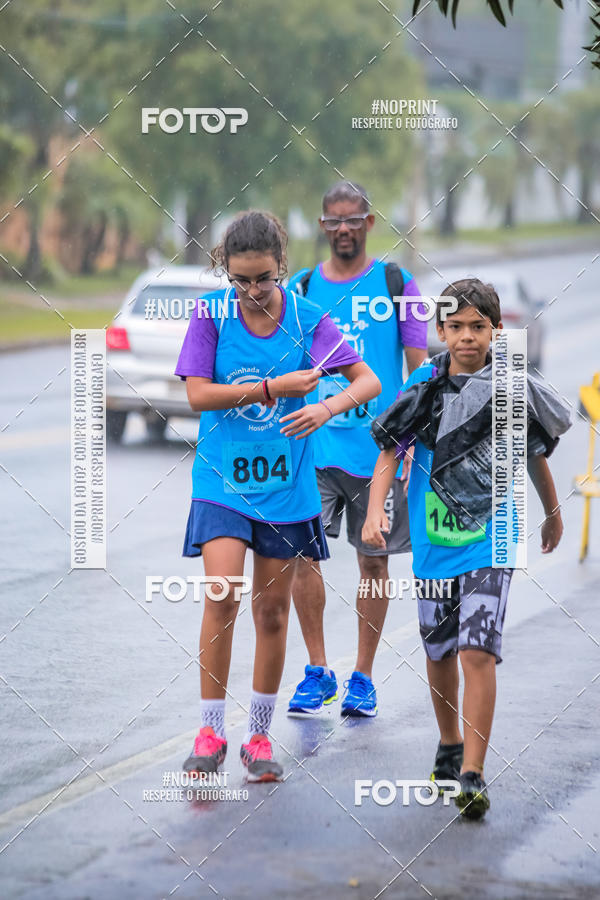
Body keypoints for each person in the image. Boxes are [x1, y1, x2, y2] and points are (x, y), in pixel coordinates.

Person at [174, 210, 380, 783]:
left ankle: (258, 738)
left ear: (281, 267)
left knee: (271, 610)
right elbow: (197, 397)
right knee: (221, 595)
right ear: (225, 273)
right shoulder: (211, 317)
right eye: (239, 280)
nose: (251, 291)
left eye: (262, 278)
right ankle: (210, 731)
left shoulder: (309, 320)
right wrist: (274, 388)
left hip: (286, 489)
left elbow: (368, 382)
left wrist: (325, 407)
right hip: (222, 481)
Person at [362, 278, 570, 819]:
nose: (467, 337)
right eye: (456, 327)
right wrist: (373, 511)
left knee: (477, 648)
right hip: (434, 543)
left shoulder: (507, 388)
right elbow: (390, 448)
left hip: (492, 537)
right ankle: (450, 743)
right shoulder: (424, 386)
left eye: (479, 327)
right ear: (441, 332)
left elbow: (532, 453)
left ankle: (473, 772)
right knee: (439, 652)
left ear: (497, 331)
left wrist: (551, 511)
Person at [286, 180, 427, 718]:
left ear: (369, 222)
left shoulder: (398, 284)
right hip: (314, 449)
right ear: (323, 227)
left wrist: (414, 445)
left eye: (353, 220)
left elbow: (420, 376)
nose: (343, 229)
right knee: (300, 555)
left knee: (373, 564)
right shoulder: (300, 289)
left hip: (380, 456)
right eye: (333, 221)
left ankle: (362, 678)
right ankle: (318, 670)